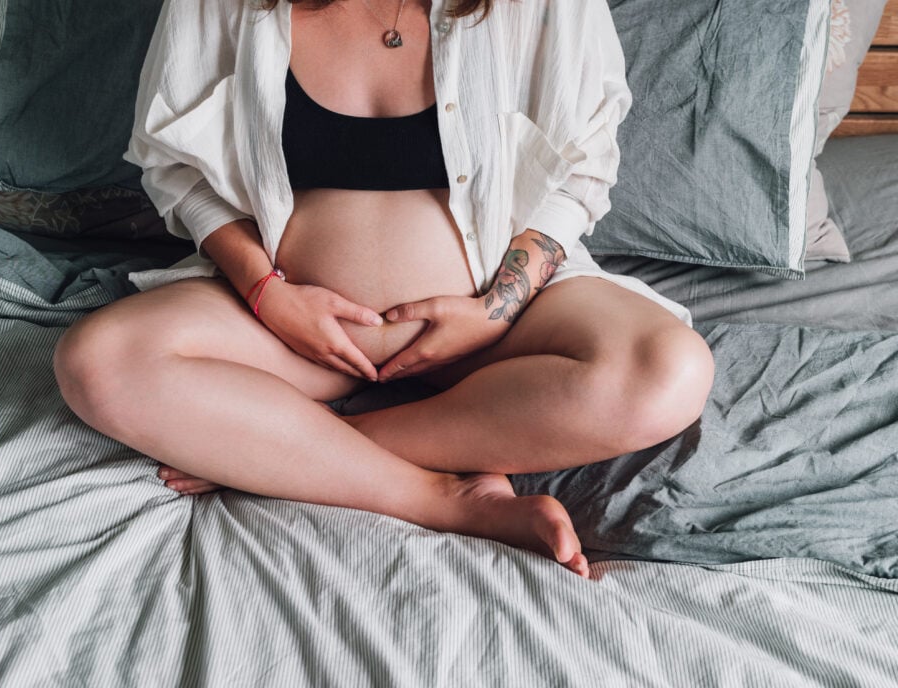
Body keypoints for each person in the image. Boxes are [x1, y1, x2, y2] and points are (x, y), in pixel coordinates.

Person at [53, 0, 715, 579]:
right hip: (293, 328)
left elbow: (582, 171)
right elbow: (176, 168)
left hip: (498, 321)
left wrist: (496, 308)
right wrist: (266, 294)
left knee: (668, 371)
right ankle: (445, 499)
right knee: (100, 363)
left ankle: (303, 449)